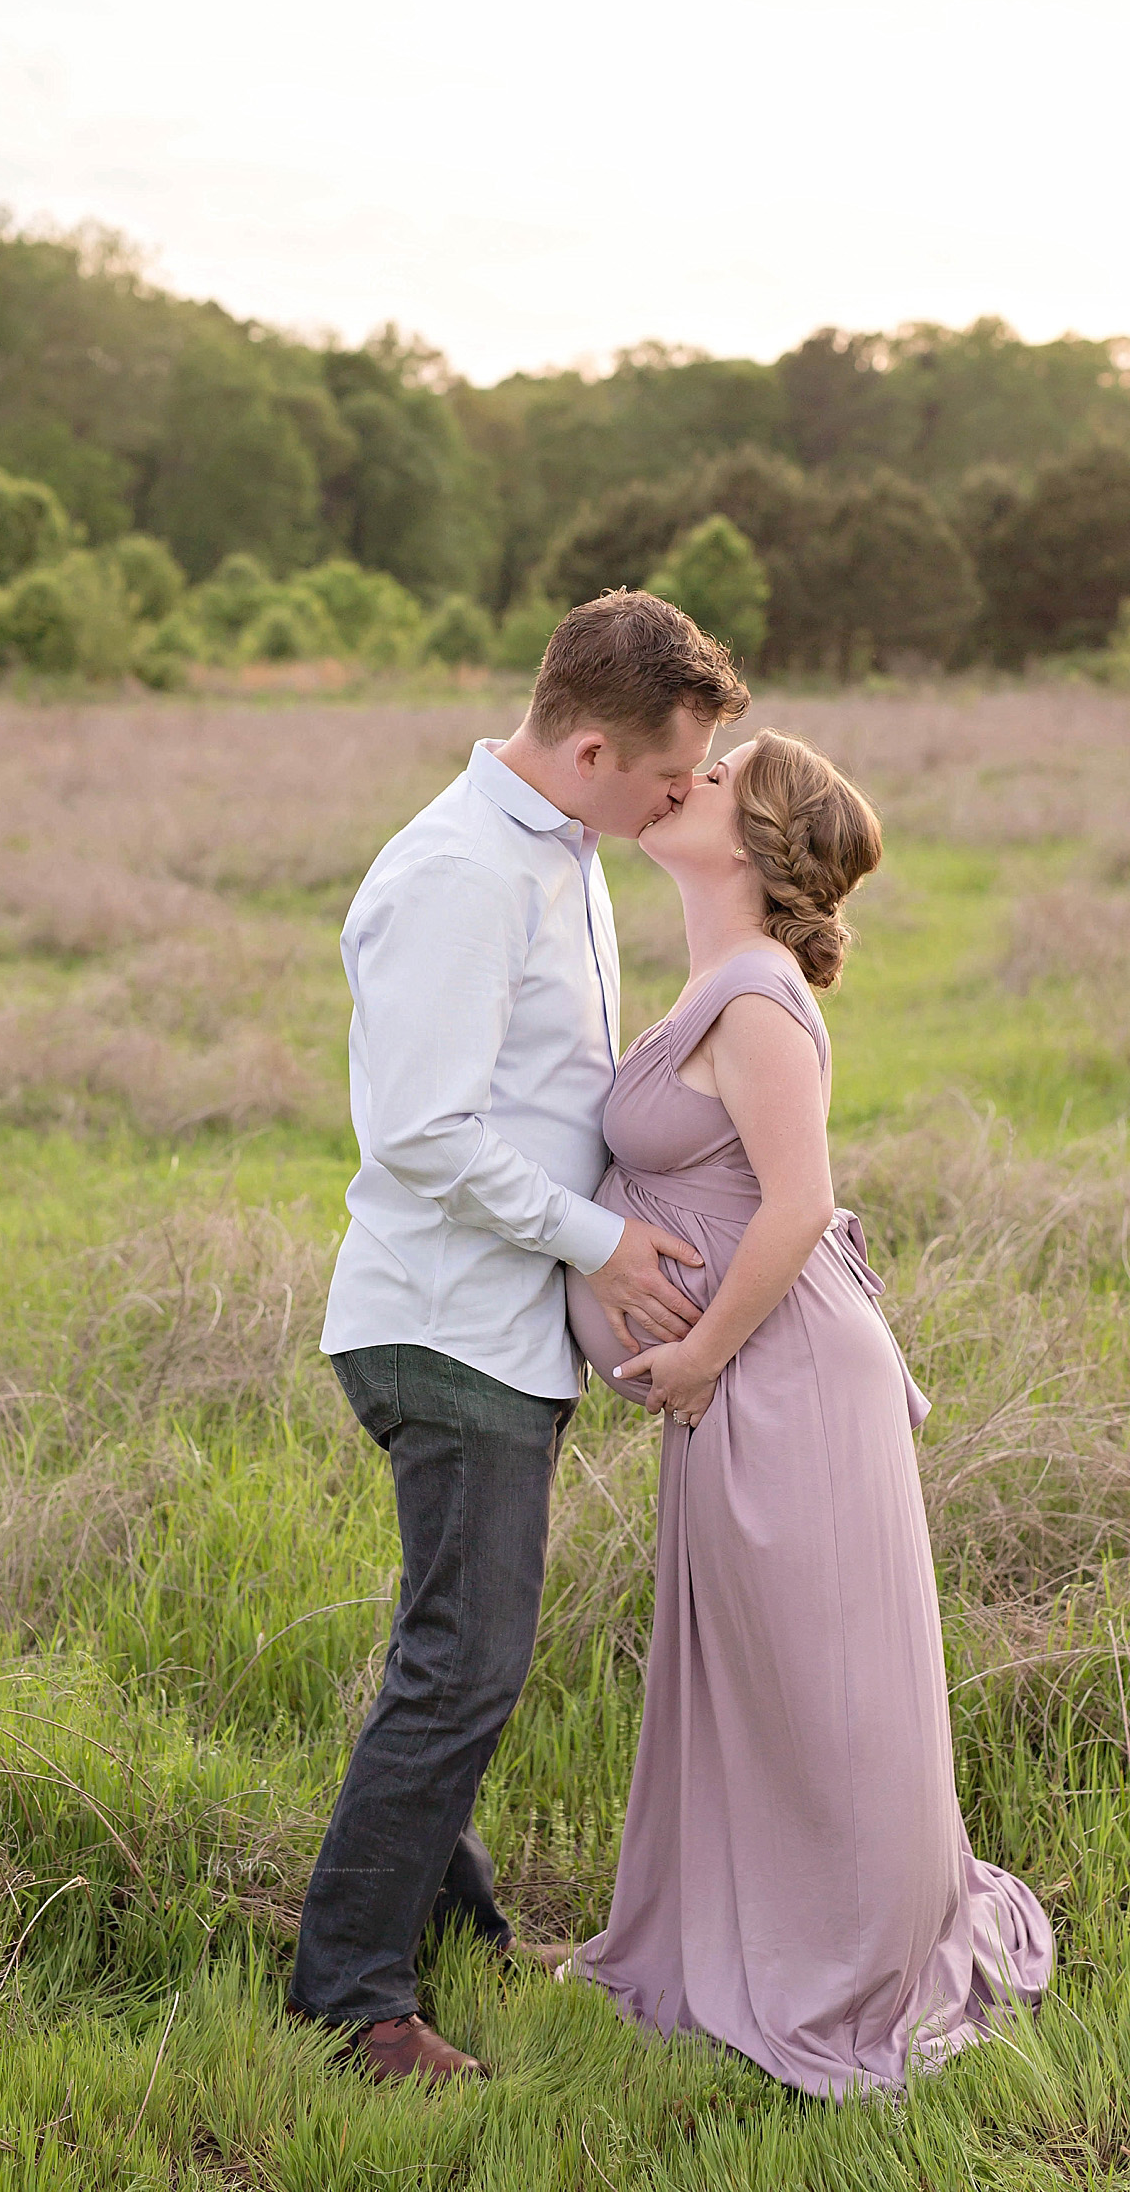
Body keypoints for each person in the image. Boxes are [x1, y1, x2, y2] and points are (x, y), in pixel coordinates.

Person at [287, 591, 750, 2084]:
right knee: (464, 1662)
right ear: (595, 742)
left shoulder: (559, 853)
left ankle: (456, 1921)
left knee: (461, 1646)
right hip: (445, 1325)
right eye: (669, 777)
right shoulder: (459, 871)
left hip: (500, 1325)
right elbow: (422, 1132)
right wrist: (605, 1239)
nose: (683, 801)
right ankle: (349, 1997)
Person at [563, 727, 1054, 2097]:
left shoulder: (762, 1001)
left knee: (823, 1690)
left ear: (761, 840)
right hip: (743, 1383)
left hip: (784, 1380)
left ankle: (855, 1975)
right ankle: (723, 1936)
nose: (685, 778)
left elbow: (795, 1202)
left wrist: (707, 1352)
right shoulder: (715, 978)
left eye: (717, 776)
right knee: (750, 1683)